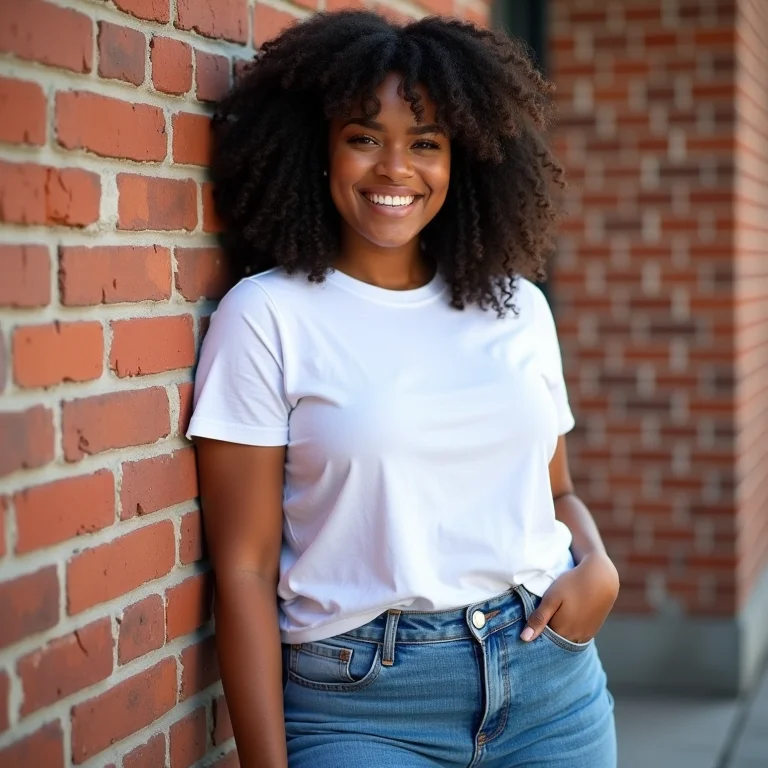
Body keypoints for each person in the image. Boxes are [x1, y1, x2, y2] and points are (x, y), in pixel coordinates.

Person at [188, 10, 619, 768]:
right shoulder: (268, 317)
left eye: (426, 143)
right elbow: (245, 571)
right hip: (365, 706)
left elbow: (555, 495)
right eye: (364, 138)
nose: (395, 168)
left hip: (551, 684)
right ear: (318, 151)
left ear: (465, 161)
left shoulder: (517, 308)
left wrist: (600, 567)